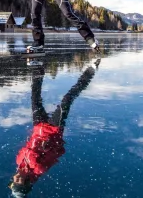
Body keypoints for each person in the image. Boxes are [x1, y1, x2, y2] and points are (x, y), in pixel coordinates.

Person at [9, 58, 100, 197]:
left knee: (35, 96)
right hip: (53, 129)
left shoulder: (19, 162)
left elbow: (29, 144)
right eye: (19, 181)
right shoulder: (39, 168)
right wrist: (51, 144)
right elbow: (59, 151)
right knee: (66, 100)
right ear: (26, 182)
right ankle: (91, 70)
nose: (16, 178)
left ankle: (38, 67)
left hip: (38, 127)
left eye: (14, 181)